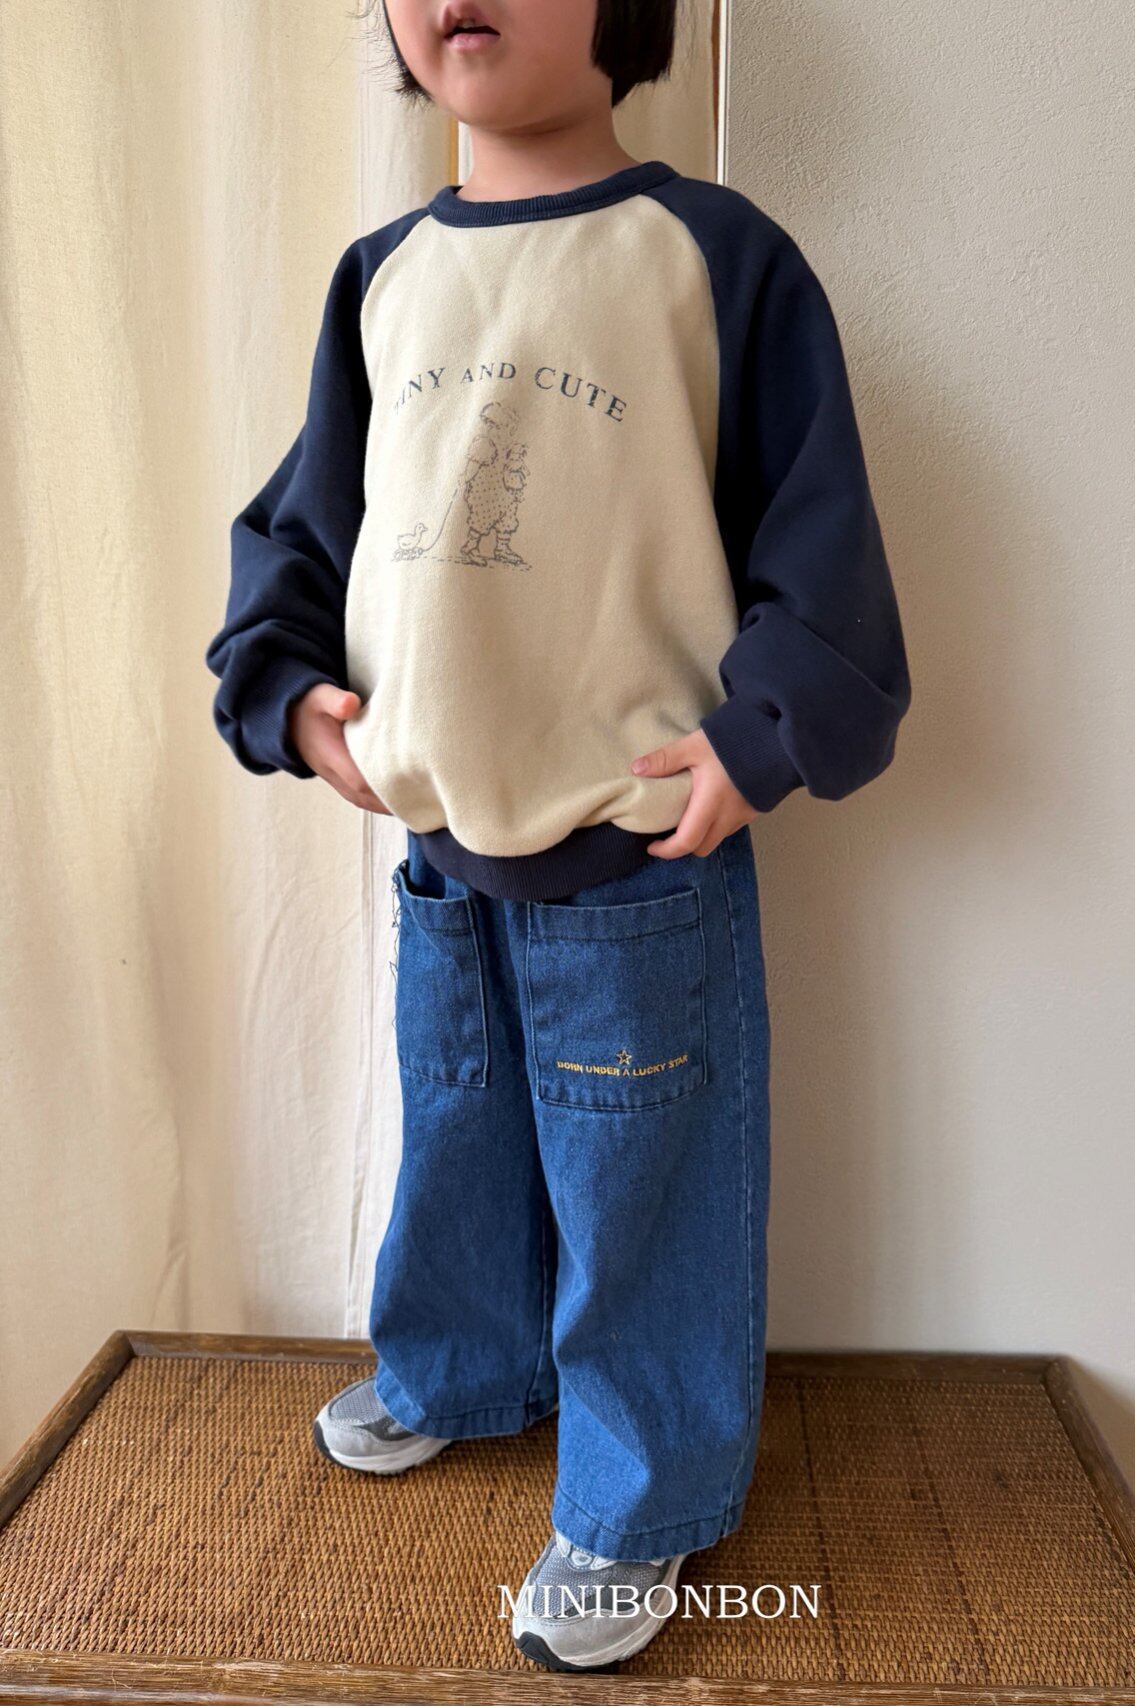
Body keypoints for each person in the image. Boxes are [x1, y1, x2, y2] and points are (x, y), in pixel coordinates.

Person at [205, 0, 909, 1672]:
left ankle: (643, 1496)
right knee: (454, 1126)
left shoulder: (712, 258)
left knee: (638, 1182)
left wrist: (760, 734)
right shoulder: (383, 277)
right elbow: (309, 520)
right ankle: (464, 1370)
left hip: (633, 849)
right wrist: (288, 689)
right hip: (439, 839)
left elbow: (819, 525)